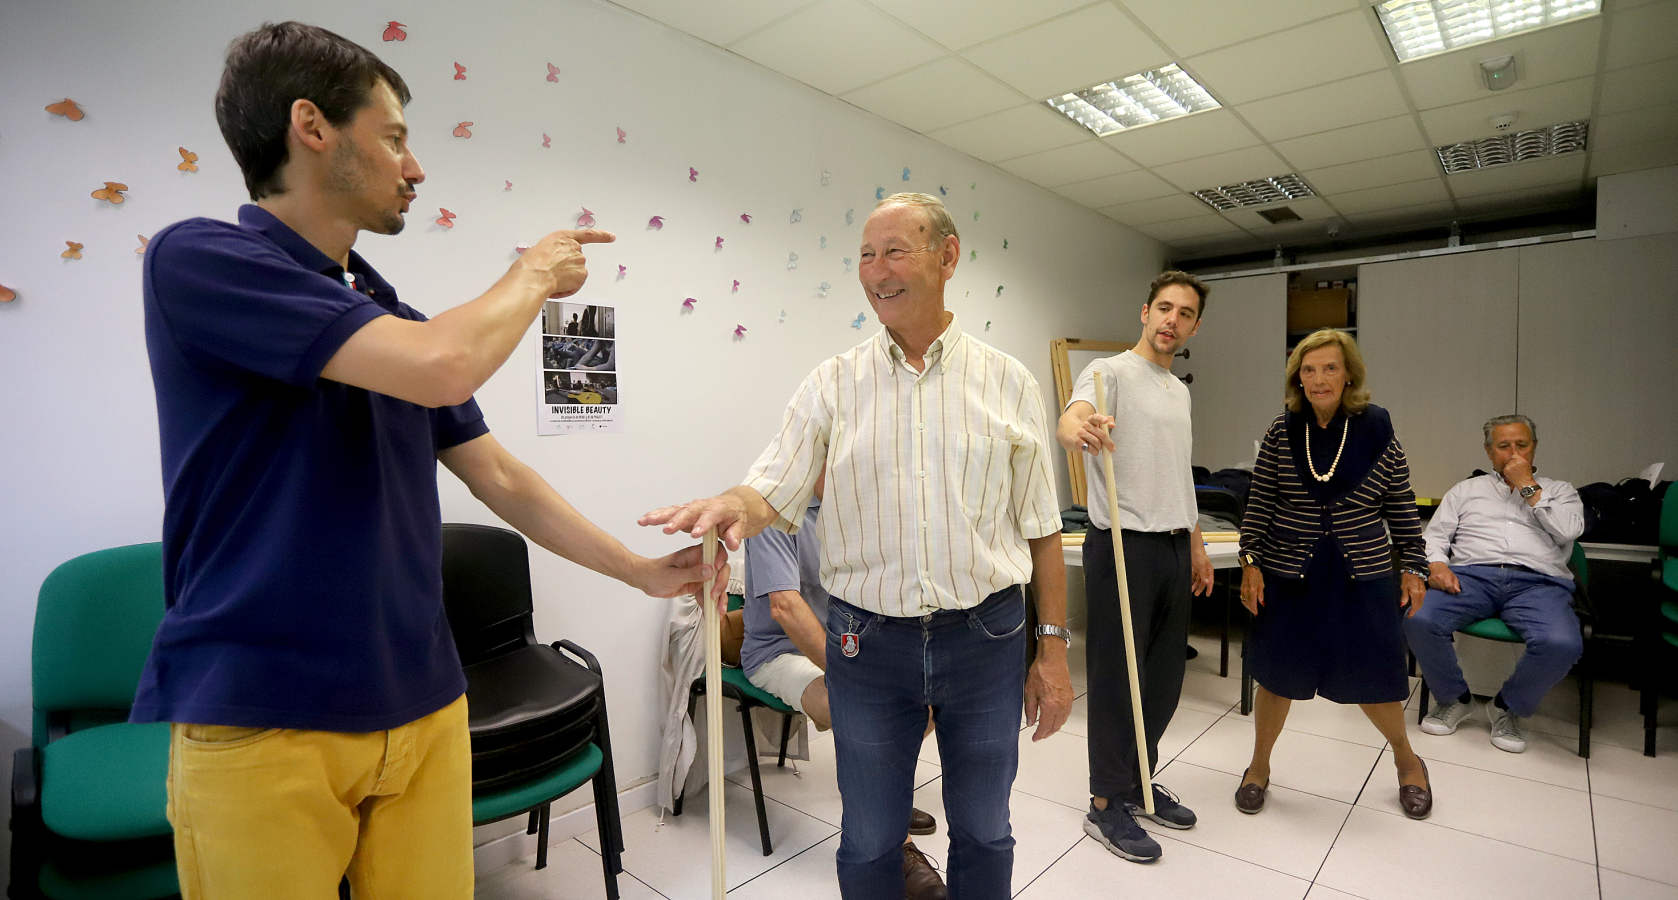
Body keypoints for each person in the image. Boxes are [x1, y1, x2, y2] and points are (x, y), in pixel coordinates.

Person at [131, 22, 723, 899]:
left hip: (422, 700)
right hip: (263, 714)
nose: (415, 168)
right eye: (396, 136)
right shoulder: (203, 259)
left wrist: (639, 571)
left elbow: (500, 476)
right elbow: (446, 361)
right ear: (312, 125)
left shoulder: (381, 306)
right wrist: (531, 273)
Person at [641, 192, 1073, 898]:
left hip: (987, 638)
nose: (878, 271)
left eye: (896, 250)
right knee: (871, 840)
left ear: (948, 256)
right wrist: (729, 505)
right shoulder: (832, 385)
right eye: (867, 256)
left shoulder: (1009, 383)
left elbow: (1043, 529)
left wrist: (1052, 653)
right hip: (867, 649)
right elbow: (770, 488)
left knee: (985, 830)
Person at [1235, 329, 1433, 819]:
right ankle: (1258, 766)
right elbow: (1259, 502)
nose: (1318, 378)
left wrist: (1413, 564)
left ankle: (1409, 763)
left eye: (1329, 368)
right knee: (1278, 677)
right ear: (1297, 378)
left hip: (1360, 575)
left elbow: (1401, 503)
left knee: (1373, 678)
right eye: (1308, 369)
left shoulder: (1376, 429)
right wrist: (1249, 561)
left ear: (1349, 375)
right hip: (1290, 575)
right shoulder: (1284, 431)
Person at [1055, 271, 1215, 863]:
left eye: (1186, 313)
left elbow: (1180, 473)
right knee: (1119, 680)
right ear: (1145, 312)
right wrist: (1080, 430)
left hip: (1173, 545)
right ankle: (1105, 803)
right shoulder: (1108, 373)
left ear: (1195, 325)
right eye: (1164, 308)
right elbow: (1072, 417)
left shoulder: (1179, 391)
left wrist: (1195, 543)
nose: (1172, 320)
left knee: (1166, 678)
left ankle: (1139, 781)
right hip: (1122, 544)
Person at [741, 468, 946, 899]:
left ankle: (883, 801)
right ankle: (893, 847)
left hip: (847, 644)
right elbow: (785, 609)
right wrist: (855, 676)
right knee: (860, 709)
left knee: (927, 699)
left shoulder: (855, 509)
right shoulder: (775, 510)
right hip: (779, 652)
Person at [1405, 415, 1585, 753]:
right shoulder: (1466, 490)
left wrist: (1527, 486)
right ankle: (1454, 699)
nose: (1513, 452)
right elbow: (1434, 536)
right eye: (1504, 446)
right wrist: (1437, 564)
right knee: (1419, 618)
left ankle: (1508, 707)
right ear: (1490, 452)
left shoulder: (1560, 491)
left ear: (1535, 448)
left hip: (1539, 583)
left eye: (1522, 445)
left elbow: (1570, 531)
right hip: (1473, 576)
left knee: (1562, 643)